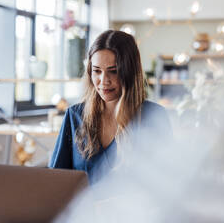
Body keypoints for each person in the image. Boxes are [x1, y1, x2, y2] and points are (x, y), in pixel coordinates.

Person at [49, 30, 173, 184]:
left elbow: (167, 184)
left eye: (113, 71)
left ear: (130, 71)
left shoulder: (153, 116)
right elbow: (54, 182)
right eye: (97, 71)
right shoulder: (75, 115)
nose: (103, 81)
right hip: (82, 208)